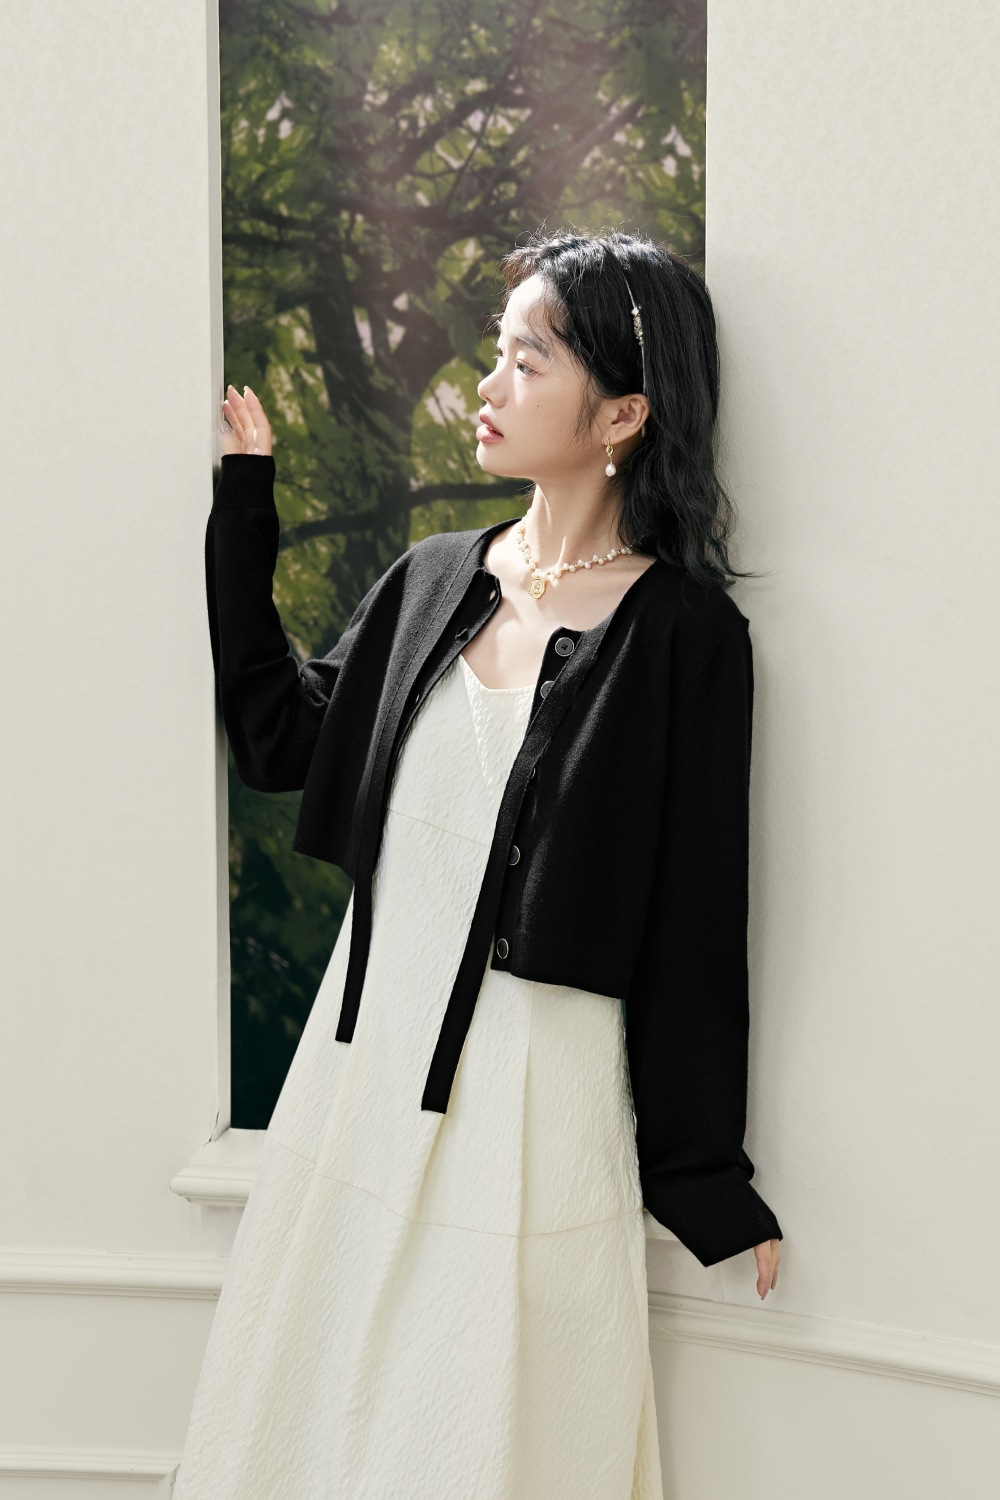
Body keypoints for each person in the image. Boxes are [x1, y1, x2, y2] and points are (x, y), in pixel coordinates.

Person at [173, 229, 781, 1500]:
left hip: (527, 1108)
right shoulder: (434, 579)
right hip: (356, 1078)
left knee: (481, 1442)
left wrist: (705, 1179)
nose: (488, 386)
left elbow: (694, 927)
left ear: (622, 413)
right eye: (495, 354)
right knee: (305, 1429)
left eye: (528, 360)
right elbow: (279, 736)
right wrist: (244, 509)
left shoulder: (684, 640)